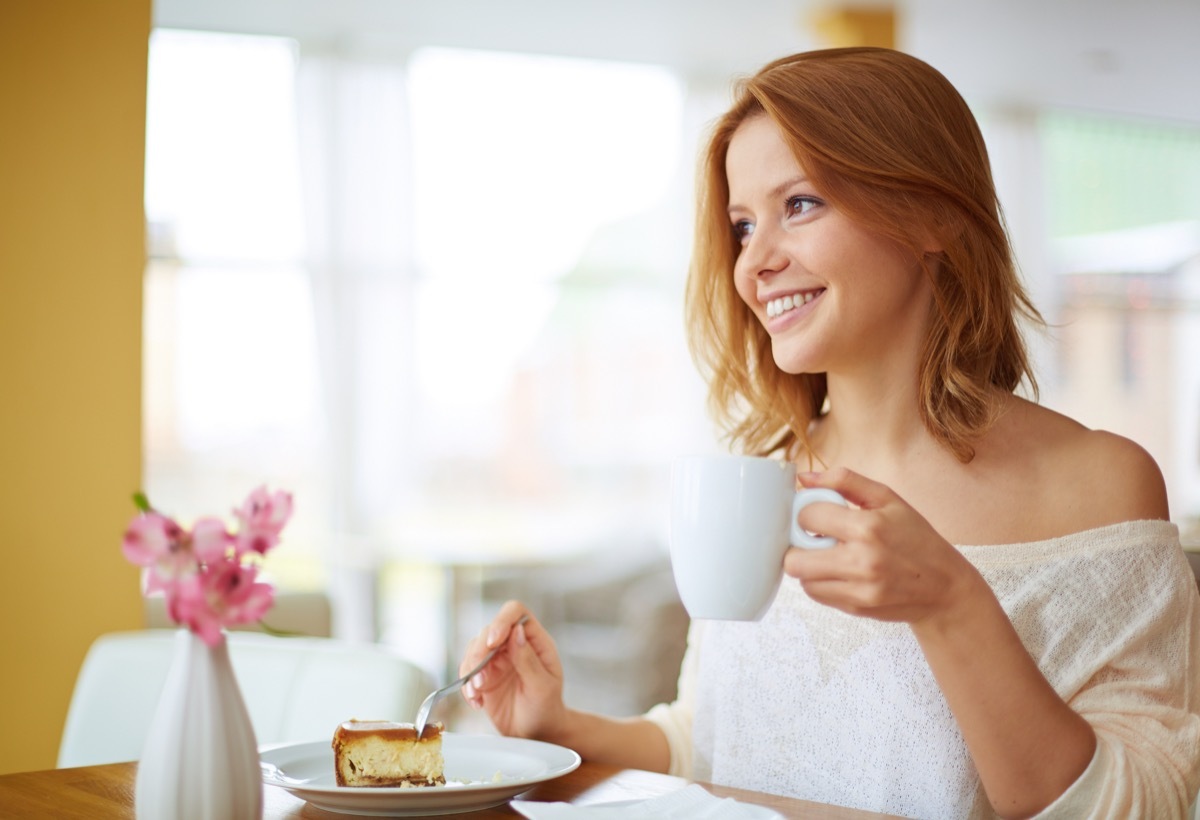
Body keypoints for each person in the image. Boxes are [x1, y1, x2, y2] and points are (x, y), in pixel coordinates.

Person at [457, 47, 1200, 818]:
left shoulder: (1098, 481)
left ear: (933, 214)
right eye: (743, 226)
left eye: (801, 205)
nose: (755, 264)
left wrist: (951, 606)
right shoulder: (764, 481)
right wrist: (558, 730)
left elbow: (1143, 805)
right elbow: (706, 737)